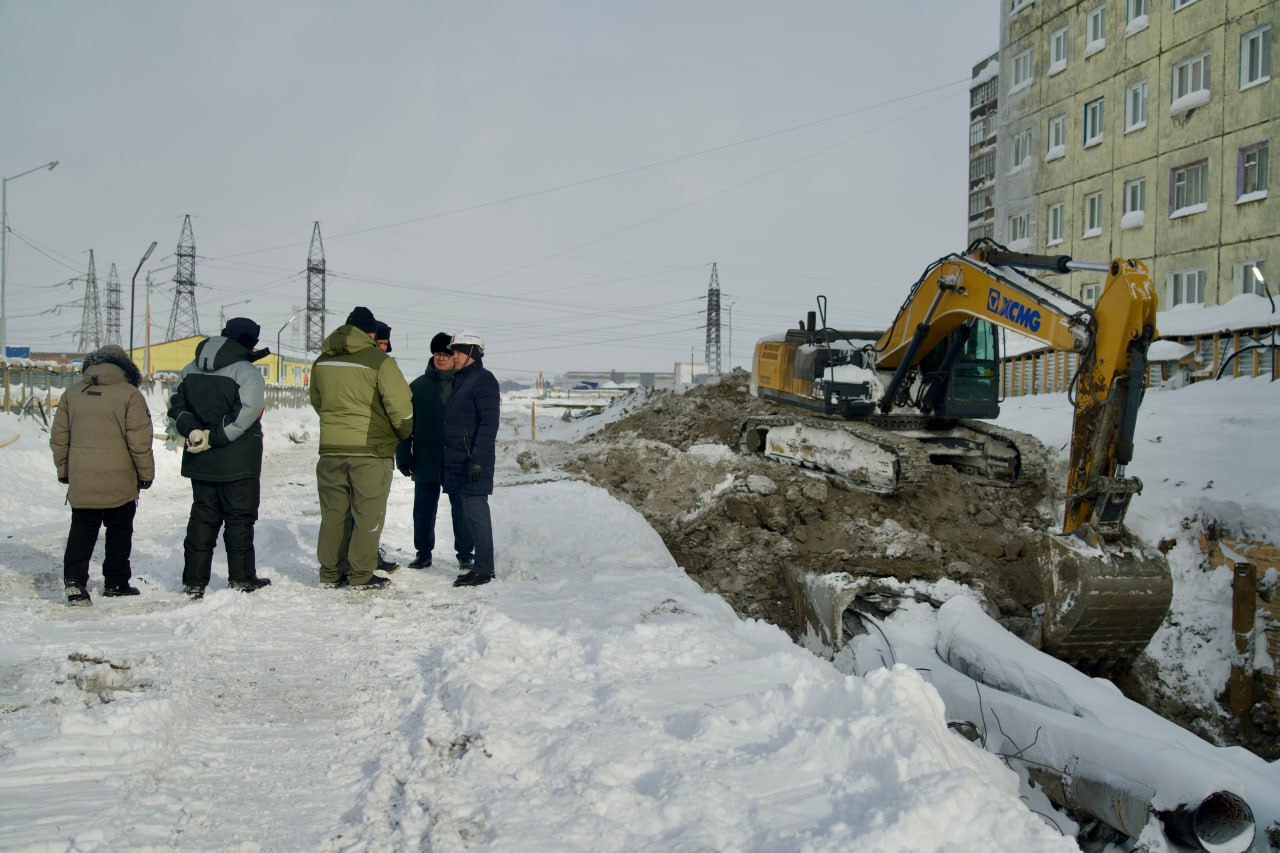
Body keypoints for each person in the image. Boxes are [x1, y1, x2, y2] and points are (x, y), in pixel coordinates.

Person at [167, 317, 272, 599]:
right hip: (238, 460)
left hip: (199, 458)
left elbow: (176, 403)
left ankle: (194, 581)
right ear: (250, 342)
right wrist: (214, 437)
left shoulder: (190, 368)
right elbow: (248, 412)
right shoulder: (246, 371)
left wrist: (193, 431)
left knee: (202, 518)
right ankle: (241, 578)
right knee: (239, 519)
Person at [310, 306, 413, 590]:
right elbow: (401, 408)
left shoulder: (322, 361)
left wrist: (337, 425)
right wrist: (400, 432)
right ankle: (360, 574)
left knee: (333, 515)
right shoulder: (379, 361)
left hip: (330, 451)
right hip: (369, 452)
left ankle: (330, 572)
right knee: (367, 515)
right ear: (370, 333)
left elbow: (318, 401)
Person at [50, 345, 156, 606]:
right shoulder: (130, 395)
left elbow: (59, 438)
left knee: (82, 528)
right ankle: (116, 582)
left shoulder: (72, 394)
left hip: (82, 475)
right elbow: (140, 441)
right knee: (120, 530)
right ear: (125, 368)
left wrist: (64, 470)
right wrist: (145, 474)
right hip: (121, 477)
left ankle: (74, 582)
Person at [397, 332, 474, 570]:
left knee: (461, 508)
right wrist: (403, 454)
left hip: (456, 458)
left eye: (446, 354)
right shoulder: (417, 387)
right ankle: (423, 553)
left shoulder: (464, 386)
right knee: (423, 508)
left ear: (454, 357)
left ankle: (465, 554)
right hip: (425, 458)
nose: (441, 358)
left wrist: (473, 455)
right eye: (437, 354)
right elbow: (405, 424)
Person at [442, 329, 499, 587]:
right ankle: (478, 566)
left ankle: (484, 569)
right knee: (467, 515)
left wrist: (477, 458)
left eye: (457, 352)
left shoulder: (484, 380)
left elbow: (489, 423)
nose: (452, 356)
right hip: (458, 460)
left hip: (473, 461)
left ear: (471, 352)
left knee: (476, 515)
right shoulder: (462, 379)